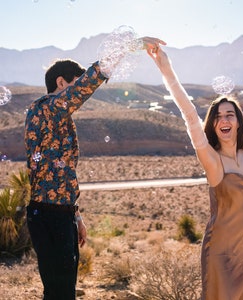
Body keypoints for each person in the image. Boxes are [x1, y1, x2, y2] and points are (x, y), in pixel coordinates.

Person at [147, 46, 243, 300]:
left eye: (230, 115)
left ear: (238, 122)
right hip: (220, 253)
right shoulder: (212, 160)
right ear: (214, 124)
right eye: (218, 117)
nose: (224, 120)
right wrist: (167, 69)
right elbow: (190, 116)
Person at [24, 36, 166, 300]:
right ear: (61, 83)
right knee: (60, 293)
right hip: (50, 215)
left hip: (57, 213)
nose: (78, 92)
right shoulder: (46, 109)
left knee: (59, 292)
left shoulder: (55, 117)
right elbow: (87, 85)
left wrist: (75, 215)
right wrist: (126, 47)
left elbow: (60, 173)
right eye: (74, 84)